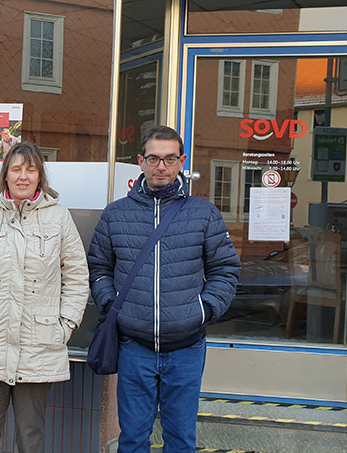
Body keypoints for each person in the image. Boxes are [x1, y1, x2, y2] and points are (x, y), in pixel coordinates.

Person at [86, 126, 241, 453]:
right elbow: (98, 266)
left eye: (170, 159)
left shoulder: (203, 214)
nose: (161, 167)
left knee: (181, 441)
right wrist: (111, 303)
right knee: (132, 440)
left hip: (186, 348)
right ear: (141, 161)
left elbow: (225, 270)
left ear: (181, 161)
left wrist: (204, 310)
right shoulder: (116, 214)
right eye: (154, 158)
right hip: (134, 347)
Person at [0, 142, 90, 453]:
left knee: (31, 433)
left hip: (39, 344)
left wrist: (66, 324)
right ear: (5, 175)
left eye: (31, 169)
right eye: (16, 169)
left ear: (40, 175)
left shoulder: (59, 217)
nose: (23, 176)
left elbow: (77, 275)